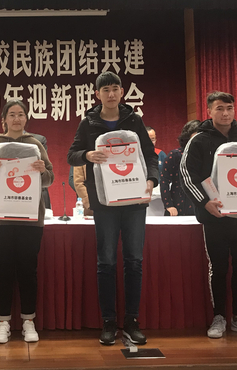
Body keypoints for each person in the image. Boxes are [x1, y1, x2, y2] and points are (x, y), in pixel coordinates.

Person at [67, 72, 159, 346]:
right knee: (105, 262)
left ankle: (131, 321)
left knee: (134, 261)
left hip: (134, 200)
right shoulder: (88, 122)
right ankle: (108, 321)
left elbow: (149, 155)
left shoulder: (134, 120)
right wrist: (87, 155)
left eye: (115, 89)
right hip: (104, 202)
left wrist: (151, 179)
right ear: (97, 94)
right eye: (105, 89)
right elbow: (72, 155)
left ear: (122, 92)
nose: (111, 94)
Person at [180, 93, 237, 338]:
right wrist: (204, 203)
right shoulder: (199, 140)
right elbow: (187, 175)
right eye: (219, 108)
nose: (225, 113)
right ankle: (219, 317)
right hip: (215, 218)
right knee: (218, 268)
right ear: (209, 111)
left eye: (229, 108)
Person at [0, 100, 54, 344]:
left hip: (30, 219)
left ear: (26, 118)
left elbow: (49, 179)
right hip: (0, 219)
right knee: (2, 270)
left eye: (21, 114)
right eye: (12, 114)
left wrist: (42, 170)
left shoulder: (35, 144)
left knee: (28, 270)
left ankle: (28, 320)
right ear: (4, 119)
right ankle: (3, 322)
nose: (17, 119)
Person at [161, 119, 200, 216]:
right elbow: (164, 181)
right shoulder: (175, 155)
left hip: (200, 204)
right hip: (177, 204)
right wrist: (168, 205)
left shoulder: (205, 156)